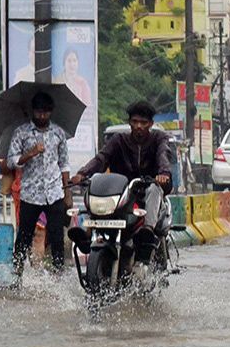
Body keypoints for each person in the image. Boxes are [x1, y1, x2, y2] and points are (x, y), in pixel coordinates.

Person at [71, 101, 172, 267]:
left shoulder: (158, 139)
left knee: (154, 188)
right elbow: (101, 158)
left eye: (143, 123)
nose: (139, 126)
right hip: (122, 193)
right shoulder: (119, 140)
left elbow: (163, 157)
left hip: (149, 190)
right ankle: (87, 233)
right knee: (96, 185)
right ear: (130, 123)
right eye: (135, 122)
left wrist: (163, 174)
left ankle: (147, 231)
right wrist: (83, 173)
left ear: (151, 124)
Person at [7, 91, 72, 277]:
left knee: (57, 236)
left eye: (45, 112)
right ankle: (17, 274)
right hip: (31, 193)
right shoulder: (21, 133)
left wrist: (67, 193)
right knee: (24, 236)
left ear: (51, 112)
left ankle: (58, 275)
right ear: (33, 111)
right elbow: (11, 161)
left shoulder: (58, 133)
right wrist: (30, 153)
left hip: (54, 192)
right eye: (38, 112)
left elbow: (64, 163)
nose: (42, 116)